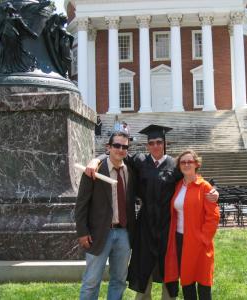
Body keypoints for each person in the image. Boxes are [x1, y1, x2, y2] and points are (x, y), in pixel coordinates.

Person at [85, 124, 219, 300]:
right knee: (143, 264)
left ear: (164, 143)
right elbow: (117, 154)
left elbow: (194, 178)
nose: (155, 146)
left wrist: (214, 188)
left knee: (168, 265)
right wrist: (97, 159)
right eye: (151, 143)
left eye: (158, 142)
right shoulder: (140, 161)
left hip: (167, 225)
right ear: (147, 145)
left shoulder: (174, 165)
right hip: (145, 224)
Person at [75, 131, 137, 300]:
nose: (120, 149)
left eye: (125, 147)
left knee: (119, 280)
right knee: (92, 281)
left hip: (124, 234)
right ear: (108, 147)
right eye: (116, 145)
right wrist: (82, 232)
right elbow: (81, 205)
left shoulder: (130, 171)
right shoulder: (94, 171)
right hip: (98, 234)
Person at [164, 150, 220, 300]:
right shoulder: (177, 186)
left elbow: (213, 216)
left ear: (196, 164)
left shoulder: (205, 187)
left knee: (203, 284)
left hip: (200, 242)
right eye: (183, 162)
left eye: (190, 161)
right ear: (179, 166)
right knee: (187, 282)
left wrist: (203, 238)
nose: (187, 164)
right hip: (180, 240)